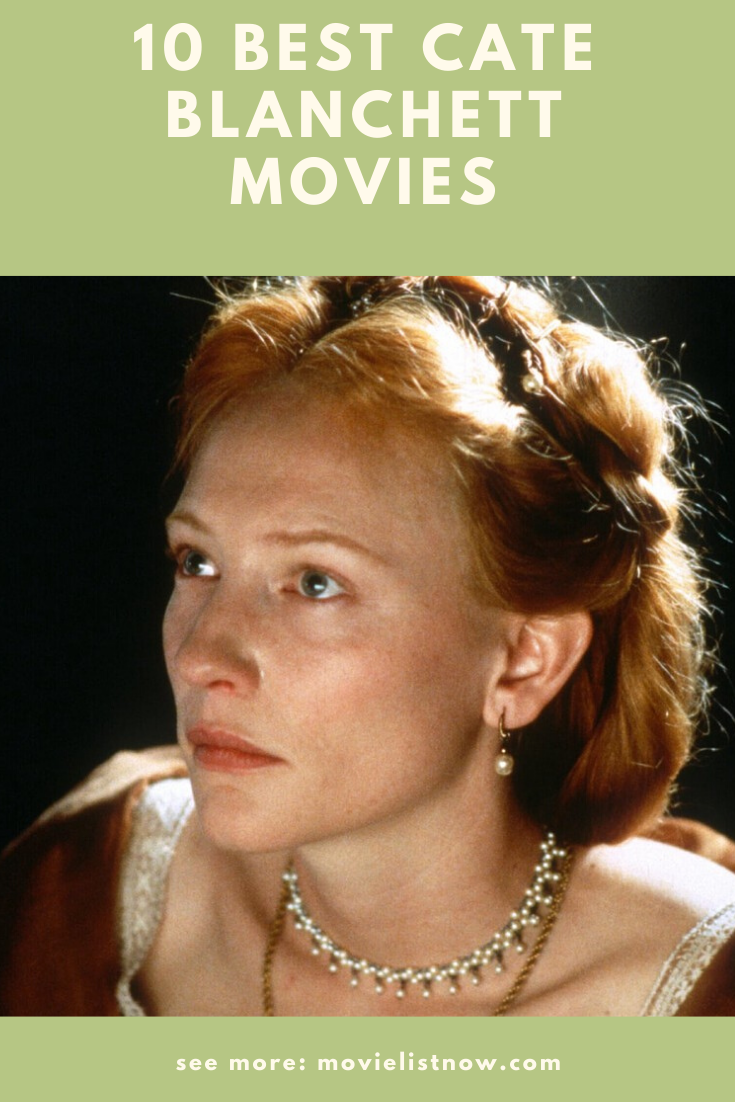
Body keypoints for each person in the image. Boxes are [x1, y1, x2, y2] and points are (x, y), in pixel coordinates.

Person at [2, 275, 734, 1017]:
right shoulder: (77, 897)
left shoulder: (703, 995)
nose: (199, 659)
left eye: (315, 582)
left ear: (523, 663)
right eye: (198, 562)